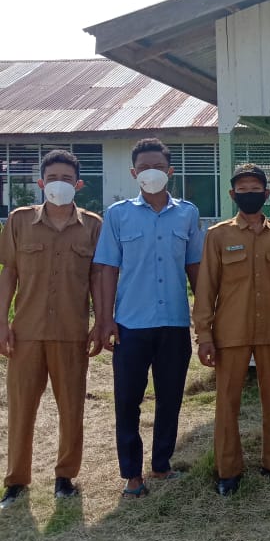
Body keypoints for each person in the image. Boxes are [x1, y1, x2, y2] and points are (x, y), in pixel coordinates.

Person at [93, 138, 204, 499]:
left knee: (170, 397)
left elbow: (196, 269)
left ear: (170, 171)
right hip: (130, 324)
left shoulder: (187, 213)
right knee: (128, 400)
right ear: (133, 173)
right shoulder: (119, 214)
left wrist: (204, 318)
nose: (151, 173)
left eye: (157, 166)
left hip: (173, 323)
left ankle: (161, 465)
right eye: (143, 168)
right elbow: (107, 268)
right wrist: (105, 319)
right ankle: (132, 475)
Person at [0, 150, 103, 509]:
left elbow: (98, 279)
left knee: (72, 407)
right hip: (26, 332)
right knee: (20, 409)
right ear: (41, 183)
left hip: (72, 333)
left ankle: (65, 477)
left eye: (66, 178)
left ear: (78, 184)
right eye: (52, 177)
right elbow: (9, 274)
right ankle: (15, 481)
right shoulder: (19, 221)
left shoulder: (93, 225)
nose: (59, 183)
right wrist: (1, 324)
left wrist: (101, 323)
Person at [193, 164, 270, 496]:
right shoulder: (218, 235)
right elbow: (206, 288)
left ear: (266, 194)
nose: (249, 194)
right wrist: (204, 335)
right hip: (230, 332)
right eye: (243, 189)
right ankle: (228, 469)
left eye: (256, 189)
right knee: (227, 401)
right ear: (232, 194)